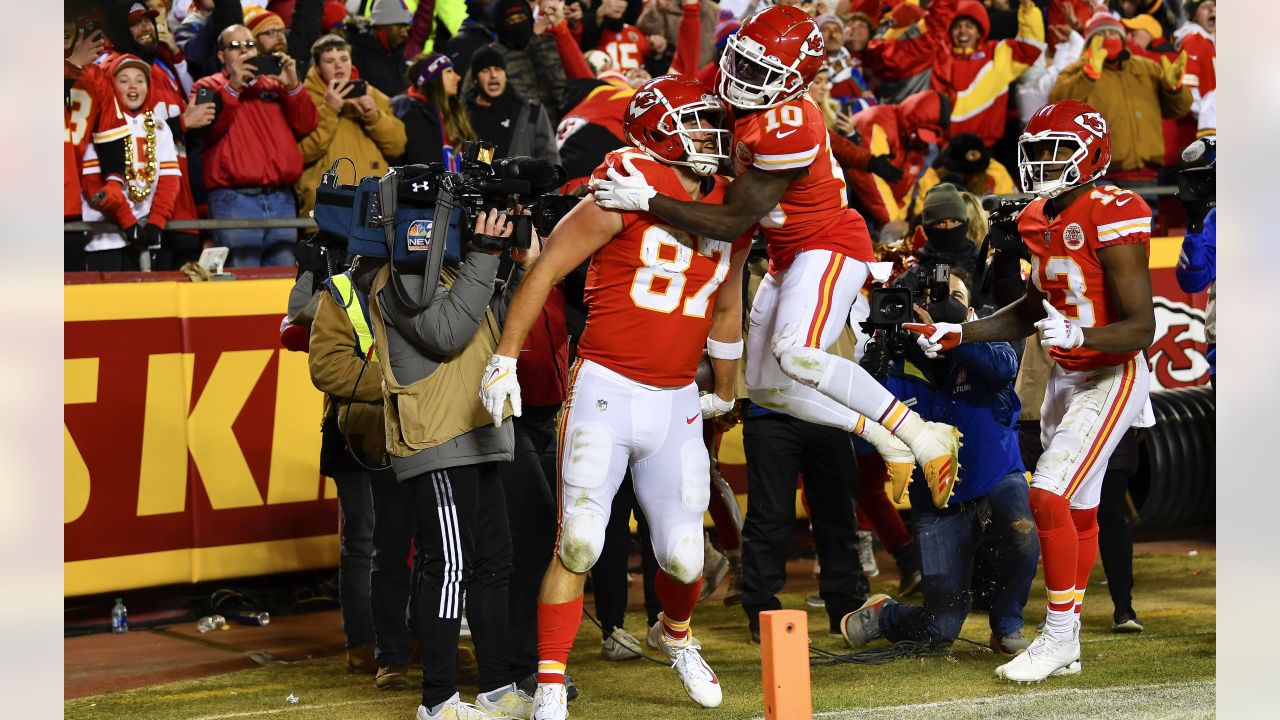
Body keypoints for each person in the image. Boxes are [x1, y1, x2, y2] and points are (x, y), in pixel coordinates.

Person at [594, 6, 963, 509]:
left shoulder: (790, 124)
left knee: (799, 353)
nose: (741, 78)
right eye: (742, 63)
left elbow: (731, 220)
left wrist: (648, 200)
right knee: (766, 388)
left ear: (793, 83)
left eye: (759, 72)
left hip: (830, 241)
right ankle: (882, 435)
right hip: (788, 255)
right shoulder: (742, 92)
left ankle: (922, 434)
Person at [479, 75, 747, 719]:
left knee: (685, 556)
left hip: (677, 393)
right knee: (579, 541)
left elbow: (729, 302)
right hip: (607, 385)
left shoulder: (729, 204)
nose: (713, 133)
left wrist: (728, 391)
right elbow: (545, 268)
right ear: (660, 130)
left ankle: (675, 638)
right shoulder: (620, 188)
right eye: (699, 121)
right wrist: (504, 359)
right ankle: (549, 681)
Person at [905, 99, 1157, 682]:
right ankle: (1067, 634)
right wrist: (959, 330)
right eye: (1036, 152)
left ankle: (1060, 633)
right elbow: (1033, 309)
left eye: (1057, 151)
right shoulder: (1036, 217)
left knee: (1047, 494)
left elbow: (1141, 326)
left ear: (1090, 154)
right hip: (1068, 376)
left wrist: (1083, 331)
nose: (1043, 163)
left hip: (1113, 371)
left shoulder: (1115, 210)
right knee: (1080, 508)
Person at [368, 206, 541, 719]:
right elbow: (446, 333)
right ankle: (438, 700)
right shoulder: (399, 275)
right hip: (437, 439)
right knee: (450, 568)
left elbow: (499, 329)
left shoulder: (457, 267)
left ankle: (494, 687)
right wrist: (485, 256)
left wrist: (521, 266)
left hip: (479, 430)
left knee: (494, 564)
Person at [841, 268, 1038, 656]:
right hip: (938, 500)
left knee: (1021, 527)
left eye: (957, 299)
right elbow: (864, 451)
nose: (948, 306)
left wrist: (952, 337)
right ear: (913, 309)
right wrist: (869, 381)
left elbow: (1002, 369)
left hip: (997, 478)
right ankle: (886, 615)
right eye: (934, 301)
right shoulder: (896, 364)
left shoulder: (986, 330)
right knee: (939, 631)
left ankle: (1007, 624)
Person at [306, 255, 415, 688]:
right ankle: (366, 645)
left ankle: (419, 638)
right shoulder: (338, 284)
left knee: (427, 542)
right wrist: (399, 380)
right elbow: (326, 364)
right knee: (369, 541)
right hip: (359, 434)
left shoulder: (425, 272)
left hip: (414, 429)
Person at [191, 24, 318, 267]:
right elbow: (204, 132)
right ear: (221, 56)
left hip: (281, 198)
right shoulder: (205, 87)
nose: (244, 51)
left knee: (281, 282)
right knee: (241, 280)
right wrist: (233, 87)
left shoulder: (275, 85)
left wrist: (292, 85)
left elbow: (306, 125)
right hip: (234, 200)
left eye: (249, 45)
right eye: (235, 47)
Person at [1049, 12, 1191, 182]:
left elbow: (1179, 110)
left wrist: (1174, 89)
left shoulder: (1148, 68)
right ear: (1090, 43)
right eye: (1100, 34)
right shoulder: (1075, 70)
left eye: (1113, 33)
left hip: (1146, 173)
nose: (1108, 37)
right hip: (1101, 175)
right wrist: (1087, 76)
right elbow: (1059, 106)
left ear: (1123, 39)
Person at [80, 54, 183, 272]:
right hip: (104, 238)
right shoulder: (97, 122)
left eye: (140, 79)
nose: (133, 86)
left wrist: (156, 222)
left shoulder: (159, 126)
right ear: (111, 85)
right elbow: (93, 184)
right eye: (124, 80)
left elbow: (169, 180)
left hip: (146, 234)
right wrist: (128, 222)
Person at [296, 34, 406, 219]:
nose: (339, 65)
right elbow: (302, 153)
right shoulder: (304, 99)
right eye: (329, 61)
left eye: (344, 59)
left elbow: (397, 146)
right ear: (317, 67)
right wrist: (329, 110)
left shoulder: (373, 95)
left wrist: (373, 117)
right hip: (327, 207)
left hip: (373, 205)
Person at [930, 0, 1044, 149]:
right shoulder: (940, 58)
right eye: (957, 26)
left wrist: (1027, 9)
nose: (963, 31)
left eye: (969, 26)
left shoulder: (997, 53)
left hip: (986, 147)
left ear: (979, 32)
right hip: (945, 147)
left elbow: (1030, 47)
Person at [64, 19, 128, 272]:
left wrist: (114, 180)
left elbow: (112, 136)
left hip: (70, 205)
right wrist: (72, 66)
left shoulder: (94, 76)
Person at [464, 46, 560, 164]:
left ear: (505, 75)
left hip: (522, 182)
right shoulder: (463, 115)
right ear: (475, 79)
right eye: (485, 70)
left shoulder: (531, 111)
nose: (493, 75)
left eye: (498, 69)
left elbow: (550, 159)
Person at [393, 53, 476, 169]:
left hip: (463, 185)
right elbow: (423, 165)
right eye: (449, 71)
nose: (457, 77)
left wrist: (487, 169)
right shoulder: (414, 114)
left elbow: (476, 152)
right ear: (433, 78)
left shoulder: (457, 112)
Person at [348, 0, 413, 97]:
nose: (405, 34)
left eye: (406, 27)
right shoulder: (355, 55)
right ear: (380, 25)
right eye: (399, 26)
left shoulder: (400, 56)